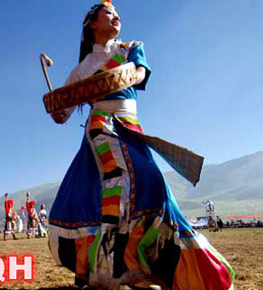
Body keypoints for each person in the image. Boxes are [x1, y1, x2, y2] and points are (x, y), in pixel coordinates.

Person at [47, 1, 234, 289]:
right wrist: (59, 107)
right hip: (102, 127)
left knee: (152, 185)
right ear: (92, 24)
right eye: (108, 13)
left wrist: (106, 81)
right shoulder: (82, 69)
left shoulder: (130, 48)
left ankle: (134, 265)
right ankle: (108, 265)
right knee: (120, 181)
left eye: (117, 13)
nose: (116, 17)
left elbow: (138, 74)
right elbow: (63, 115)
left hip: (131, 127)